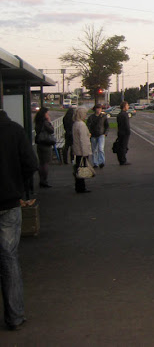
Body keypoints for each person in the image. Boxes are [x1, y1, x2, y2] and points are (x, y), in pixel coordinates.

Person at [0, 109, 38, 331]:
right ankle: (14, 316)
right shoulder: (14, 131)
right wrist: (17, 186)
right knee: (9, 259)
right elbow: (30, 165)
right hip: (9, 204)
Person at [33, 107, 55, 188]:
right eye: (47, 113)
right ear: (44, 114)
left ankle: (41, 180)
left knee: (41, 162)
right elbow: (51, 130)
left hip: (40, 143)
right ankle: (44, 180)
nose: (48, 115)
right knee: (46, 162)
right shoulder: (45, 122)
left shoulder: (37, 122)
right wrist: (49, 121)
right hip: (46, 143)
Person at [72, 108, 92, 194]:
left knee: (78, 168)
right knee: (82, 169)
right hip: (82, 150)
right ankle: (81, 187)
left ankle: (79, 186)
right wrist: (85, 153)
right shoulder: (82, 125)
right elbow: (83, 140)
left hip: (77, 149)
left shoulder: (75, 124)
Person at [86, 104, 108, 169]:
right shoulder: (91, 117)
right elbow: (88, 125)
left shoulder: (103, 117)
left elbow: (107, 126)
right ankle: (95, 163)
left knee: (101, 149)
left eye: (100, 109)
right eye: (97, 108)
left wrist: (105, 133)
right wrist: (89, 132)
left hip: (101, 134)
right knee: (94, 149)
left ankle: (101, 162)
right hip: (93, 135)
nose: (98, 110)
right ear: (95, 109)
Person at [115, 101, 131, 165]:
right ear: (124, 107)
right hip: (125, 133)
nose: (128, 107)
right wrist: (128, 132)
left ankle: (121, 159)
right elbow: (127, 124)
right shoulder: (125, 114)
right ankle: (123, 160)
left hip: (120, 132)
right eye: (127, 105)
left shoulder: (119, 114)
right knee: (124, 146)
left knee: (121, 146)